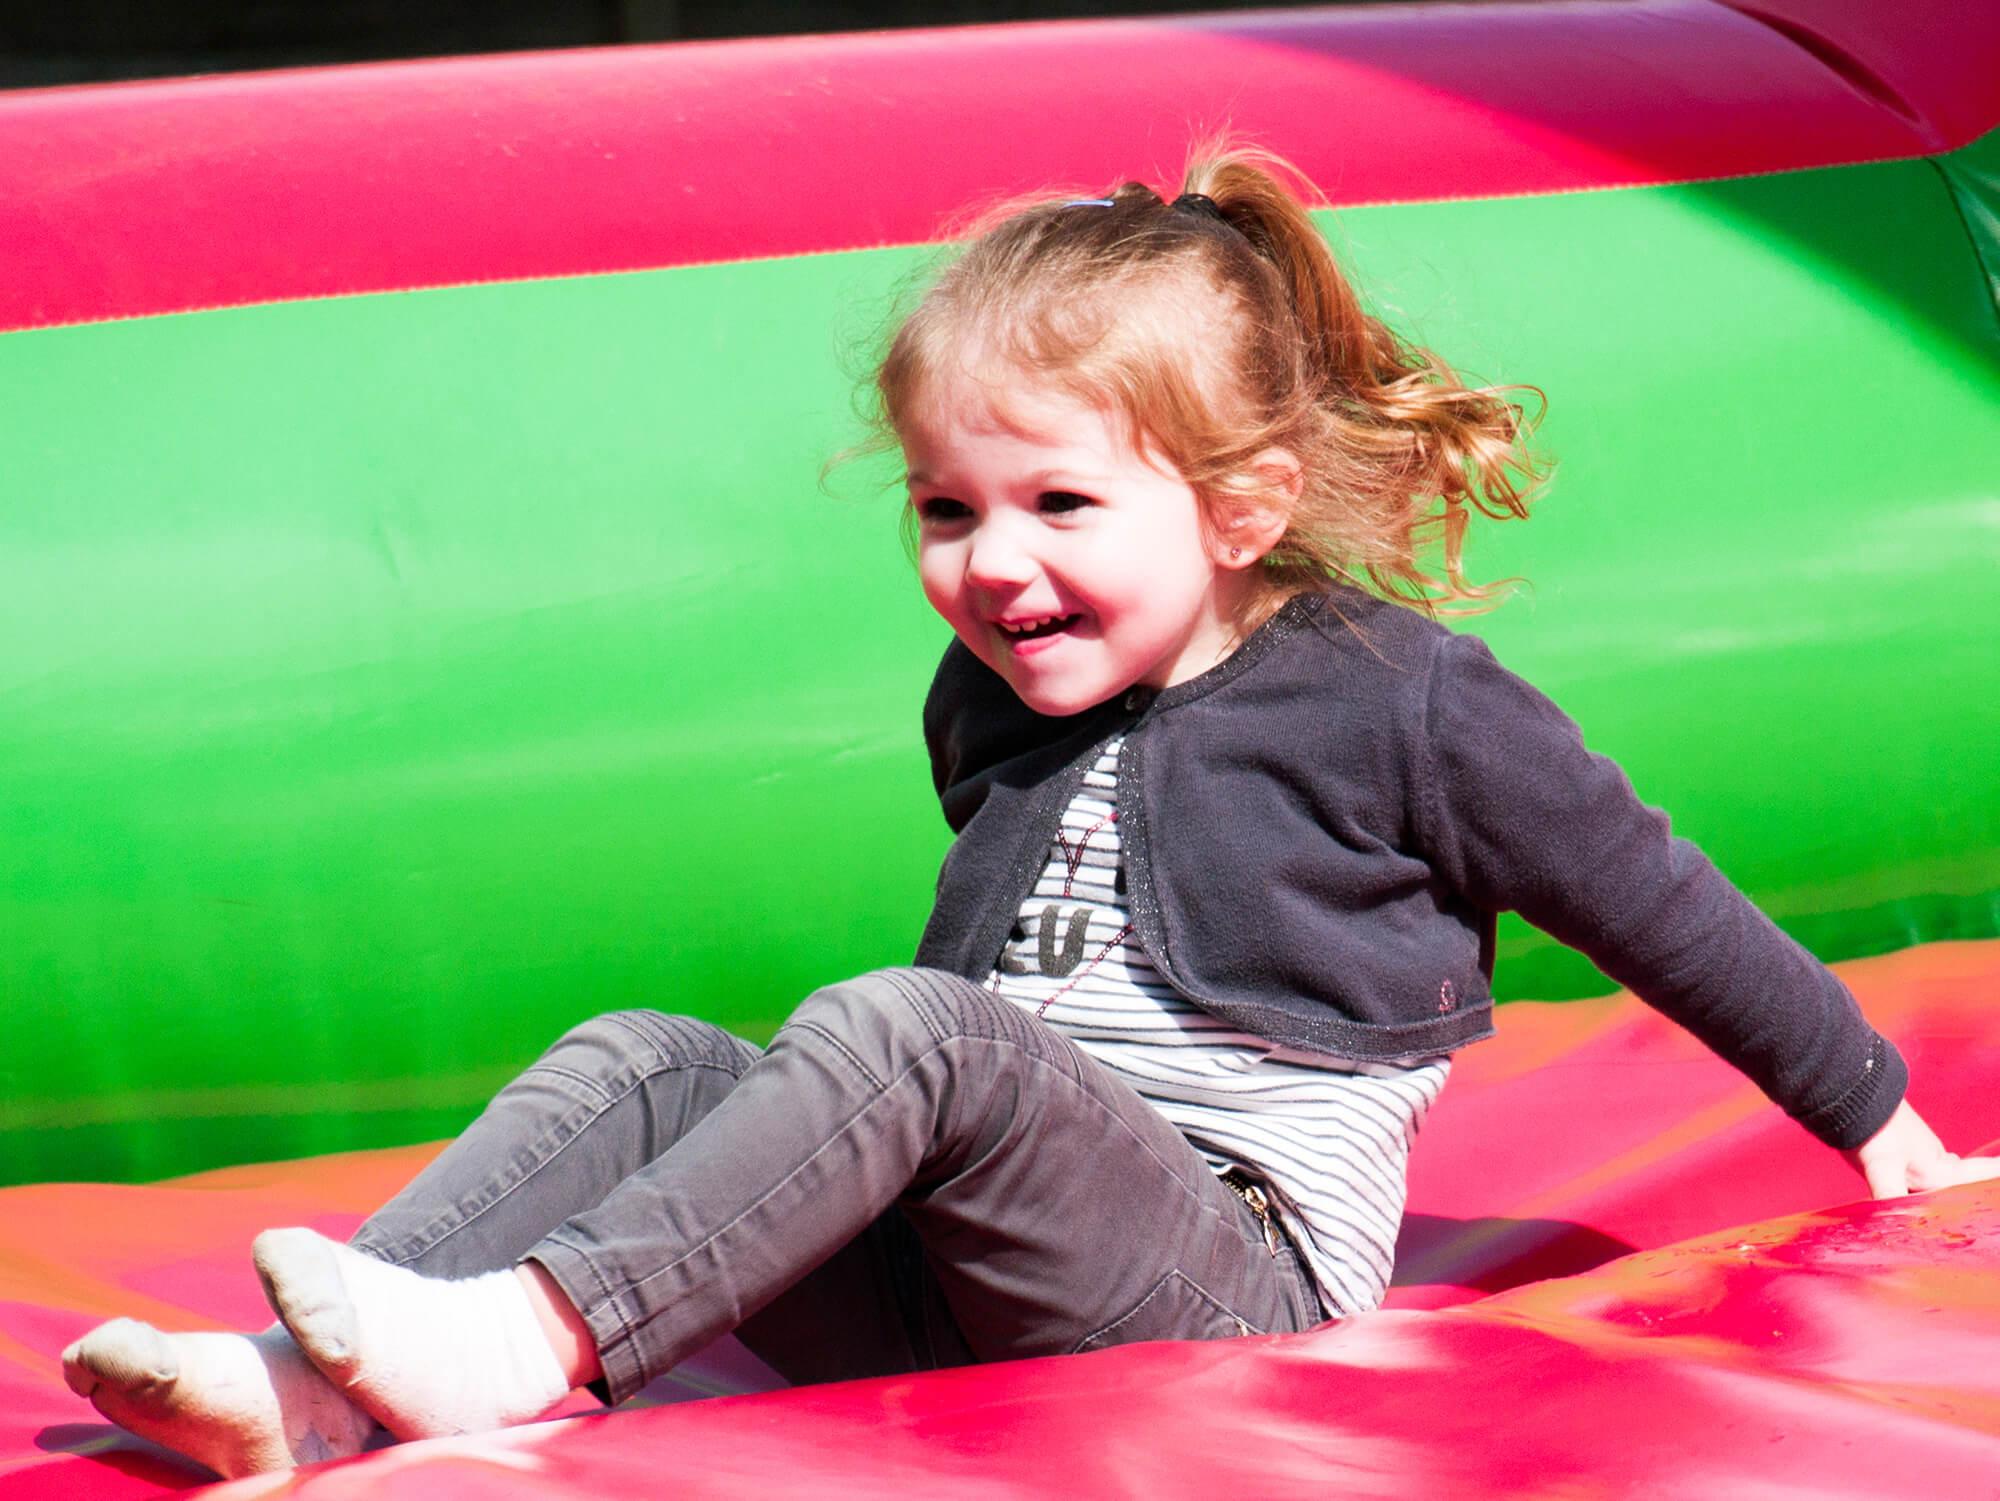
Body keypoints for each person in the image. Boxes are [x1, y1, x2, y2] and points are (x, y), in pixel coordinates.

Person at [60, 144, 1999, 1479]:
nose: (994, 566)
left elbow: (1649, 895)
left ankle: (529, 1343)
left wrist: (1880, 1128)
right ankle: (322, 1374)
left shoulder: (1397, 703)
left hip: (1226, 1283)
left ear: (1235, 510)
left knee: (907, 1024)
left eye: (1060, 506)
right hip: (981, 1258)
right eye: (944, 508)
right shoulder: (989, 699)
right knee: (645, 1054)